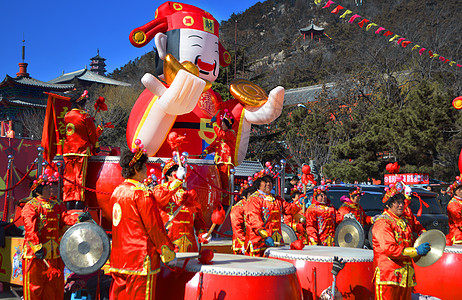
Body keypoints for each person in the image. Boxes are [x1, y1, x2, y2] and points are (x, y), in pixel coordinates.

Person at [109, 148, 176, 299]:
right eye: (144, 167)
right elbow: (154, 228)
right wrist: (167, 251)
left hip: (119, 259)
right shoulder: (141, 193)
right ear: (136, 169)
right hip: (140, 259)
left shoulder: (116, 192)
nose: (147, 170)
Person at [22, 172, 84, 300]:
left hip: (54, 253)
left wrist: (79, 218)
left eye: (49, 188)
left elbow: (64, 218)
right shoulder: (31, 207)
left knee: (53, 287)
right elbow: (30, 229)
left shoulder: (56, 205)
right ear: (38, 191)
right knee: (35, 287)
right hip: (37, 255)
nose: (50, 190)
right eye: (46, 188)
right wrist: (36, 247)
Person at [372, 192, 431, 300]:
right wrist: (415, 251)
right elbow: (390, 249)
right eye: (397, 202)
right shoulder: (382, 222)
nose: (401, 205)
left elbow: (410, 240)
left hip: (404, 276)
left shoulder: (404, 221)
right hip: (388, 275)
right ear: (388, 204)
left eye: (402, 202)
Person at [153, 159, 209, 252]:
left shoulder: (189, 192)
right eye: (175, 170)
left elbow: (198, 219)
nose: (179, 172)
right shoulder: (160, 189)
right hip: (169, 242)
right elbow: (159, 199)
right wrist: (177, 182)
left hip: (189, 244)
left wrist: (202, 233)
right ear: (168, 175)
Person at [63, 90, 103, 210]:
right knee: (79, 176)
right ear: (80, 104)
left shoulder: (67, 116)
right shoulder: (85, 116)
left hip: (68, 150)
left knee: (69, 176)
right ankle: (78, 202)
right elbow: (91, 135)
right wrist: (99, 132)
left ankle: (68, 200)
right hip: (81, 150)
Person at [245, 174, 300, 256]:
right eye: (265, 182)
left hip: (276, 239)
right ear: (259, 183)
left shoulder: (276, 199)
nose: (268, 184)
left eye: (270, 182)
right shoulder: (254, 199)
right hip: (259, 240)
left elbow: (288, 208)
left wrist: (299, 203)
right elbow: (254, 218)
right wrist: (264, 234)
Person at [201, 110, 237, 207]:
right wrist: (205, 151)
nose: (221, 126)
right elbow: (213, 145)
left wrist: (214, 125)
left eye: (222, 124)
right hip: (218, 162)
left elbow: (222, 134)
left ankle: (226, 205)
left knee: (225, 183)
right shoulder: (220, 136)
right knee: (217, 183)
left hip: (226, 162)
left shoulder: (231, 133)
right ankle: (218, 203)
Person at [230, 185, 257, 254]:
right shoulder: (238, 208)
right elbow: (237, 228)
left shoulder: (255, 205)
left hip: (254, 242)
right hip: (242, 244)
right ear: (244, 196)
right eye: (251, 194)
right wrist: (244, 242)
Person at [446, 178, 462, 245]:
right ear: (456, 191)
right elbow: (458, 221)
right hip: (458, 237)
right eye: (460, 190)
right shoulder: (453, 204)